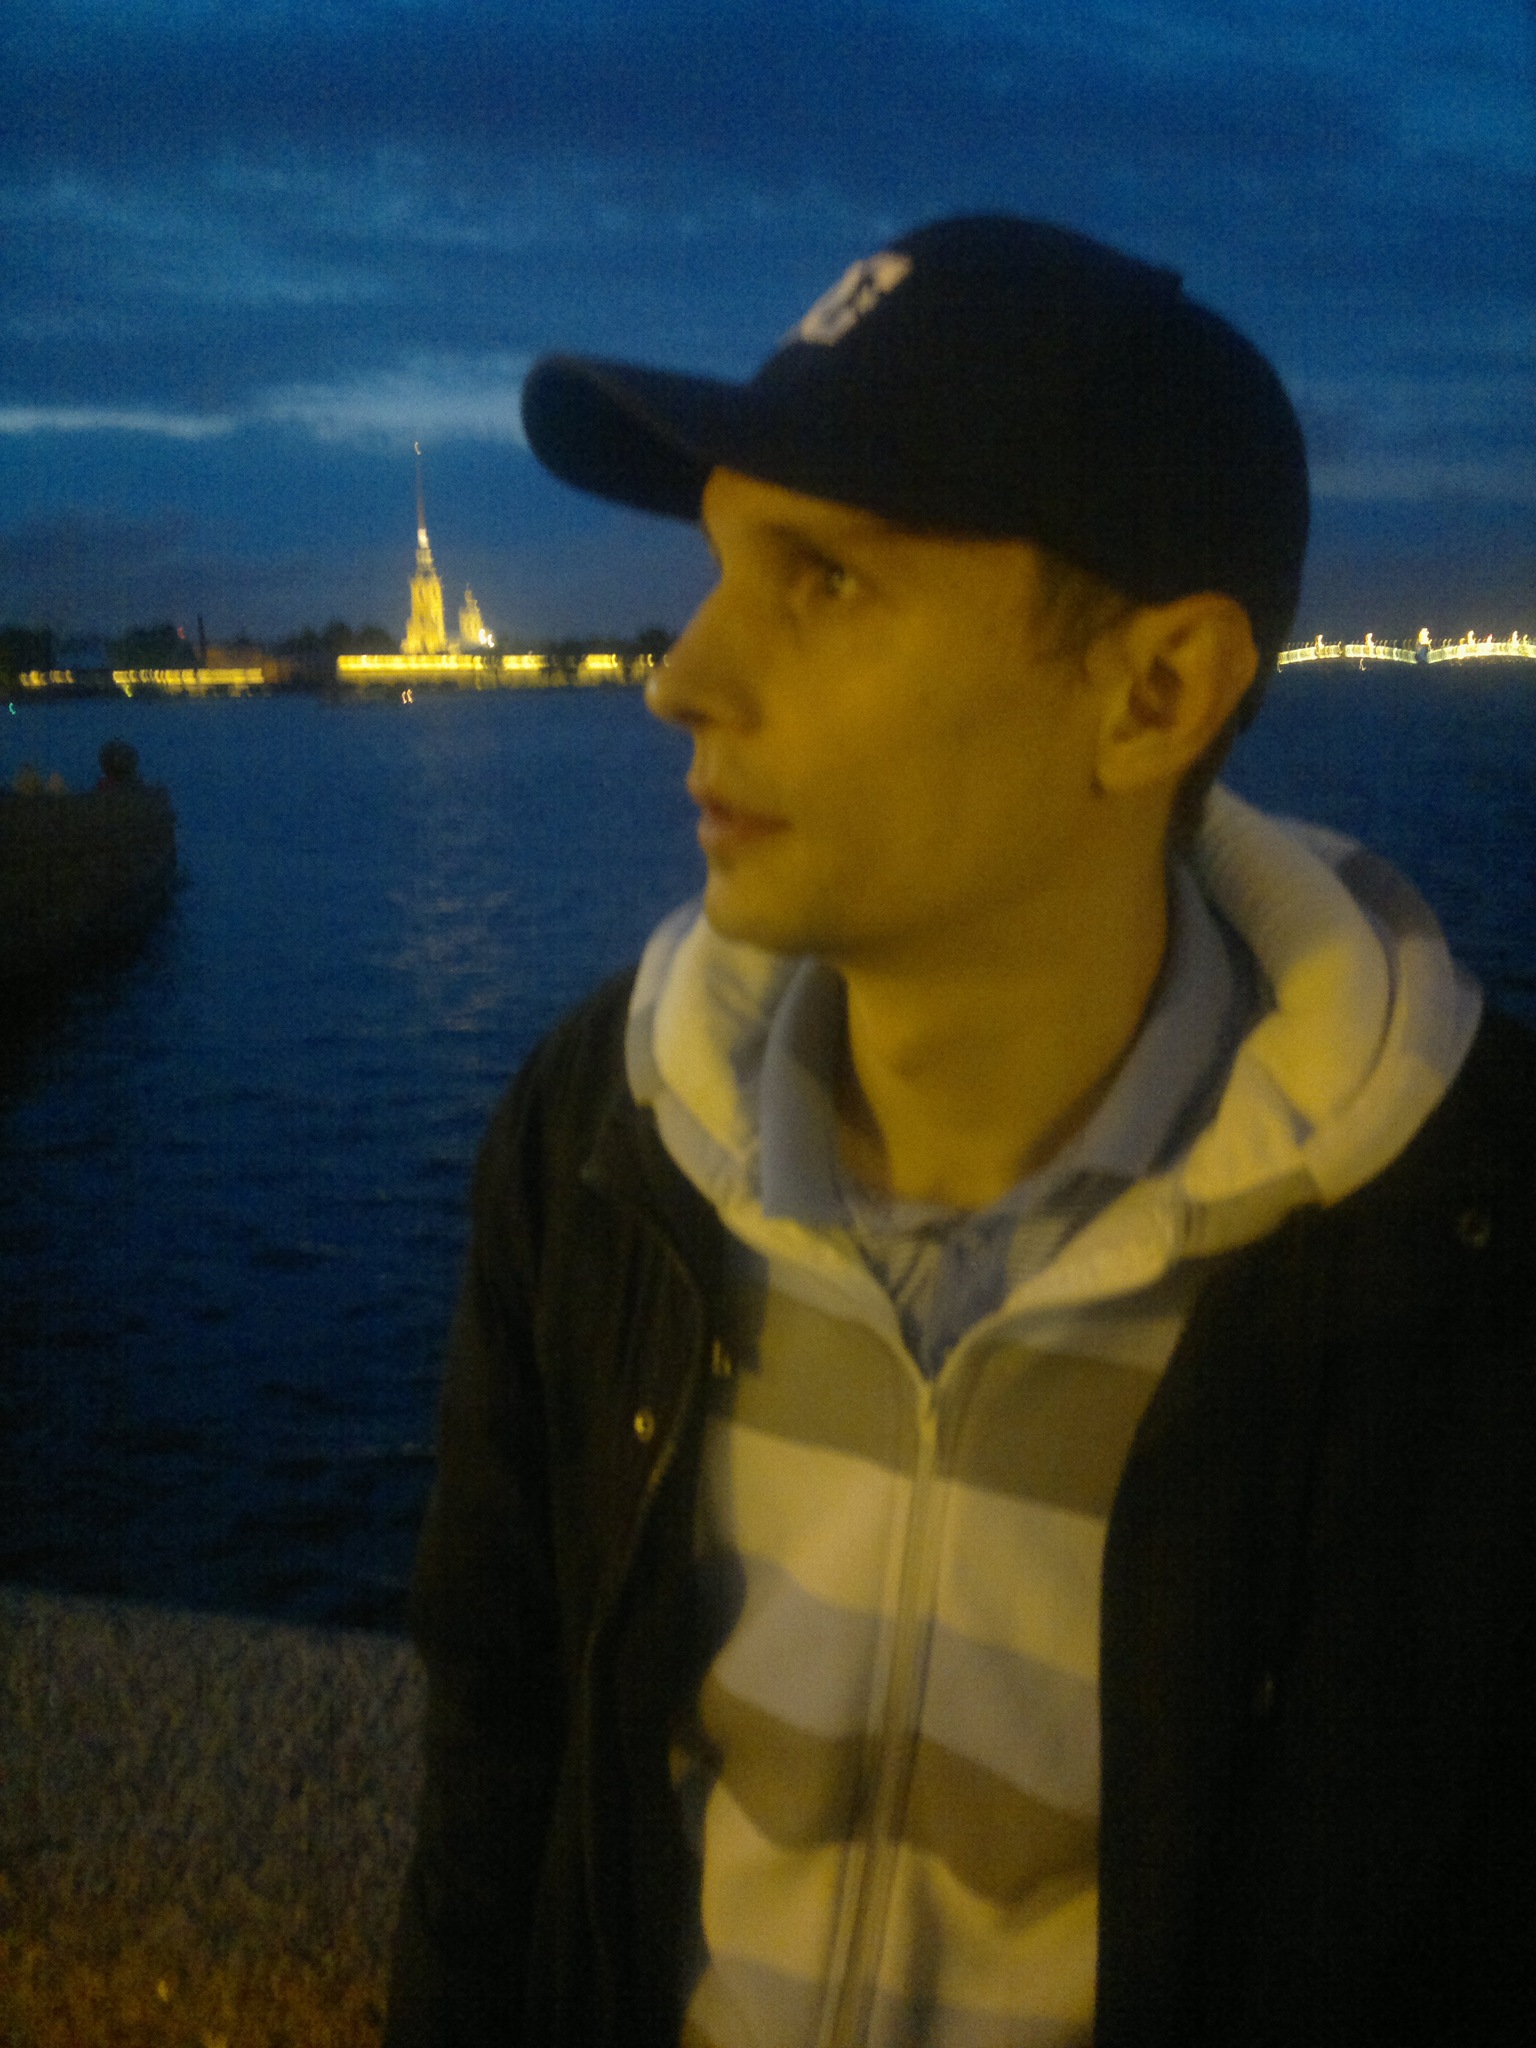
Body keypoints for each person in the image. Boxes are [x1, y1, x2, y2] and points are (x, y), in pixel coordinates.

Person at [384, 217, 1536, 2048]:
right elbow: (500, 1787)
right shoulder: (596, 1142)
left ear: (1156, 693)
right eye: (719, 568)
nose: (681, 673)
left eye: (825, 580)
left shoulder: (1474, 1246)